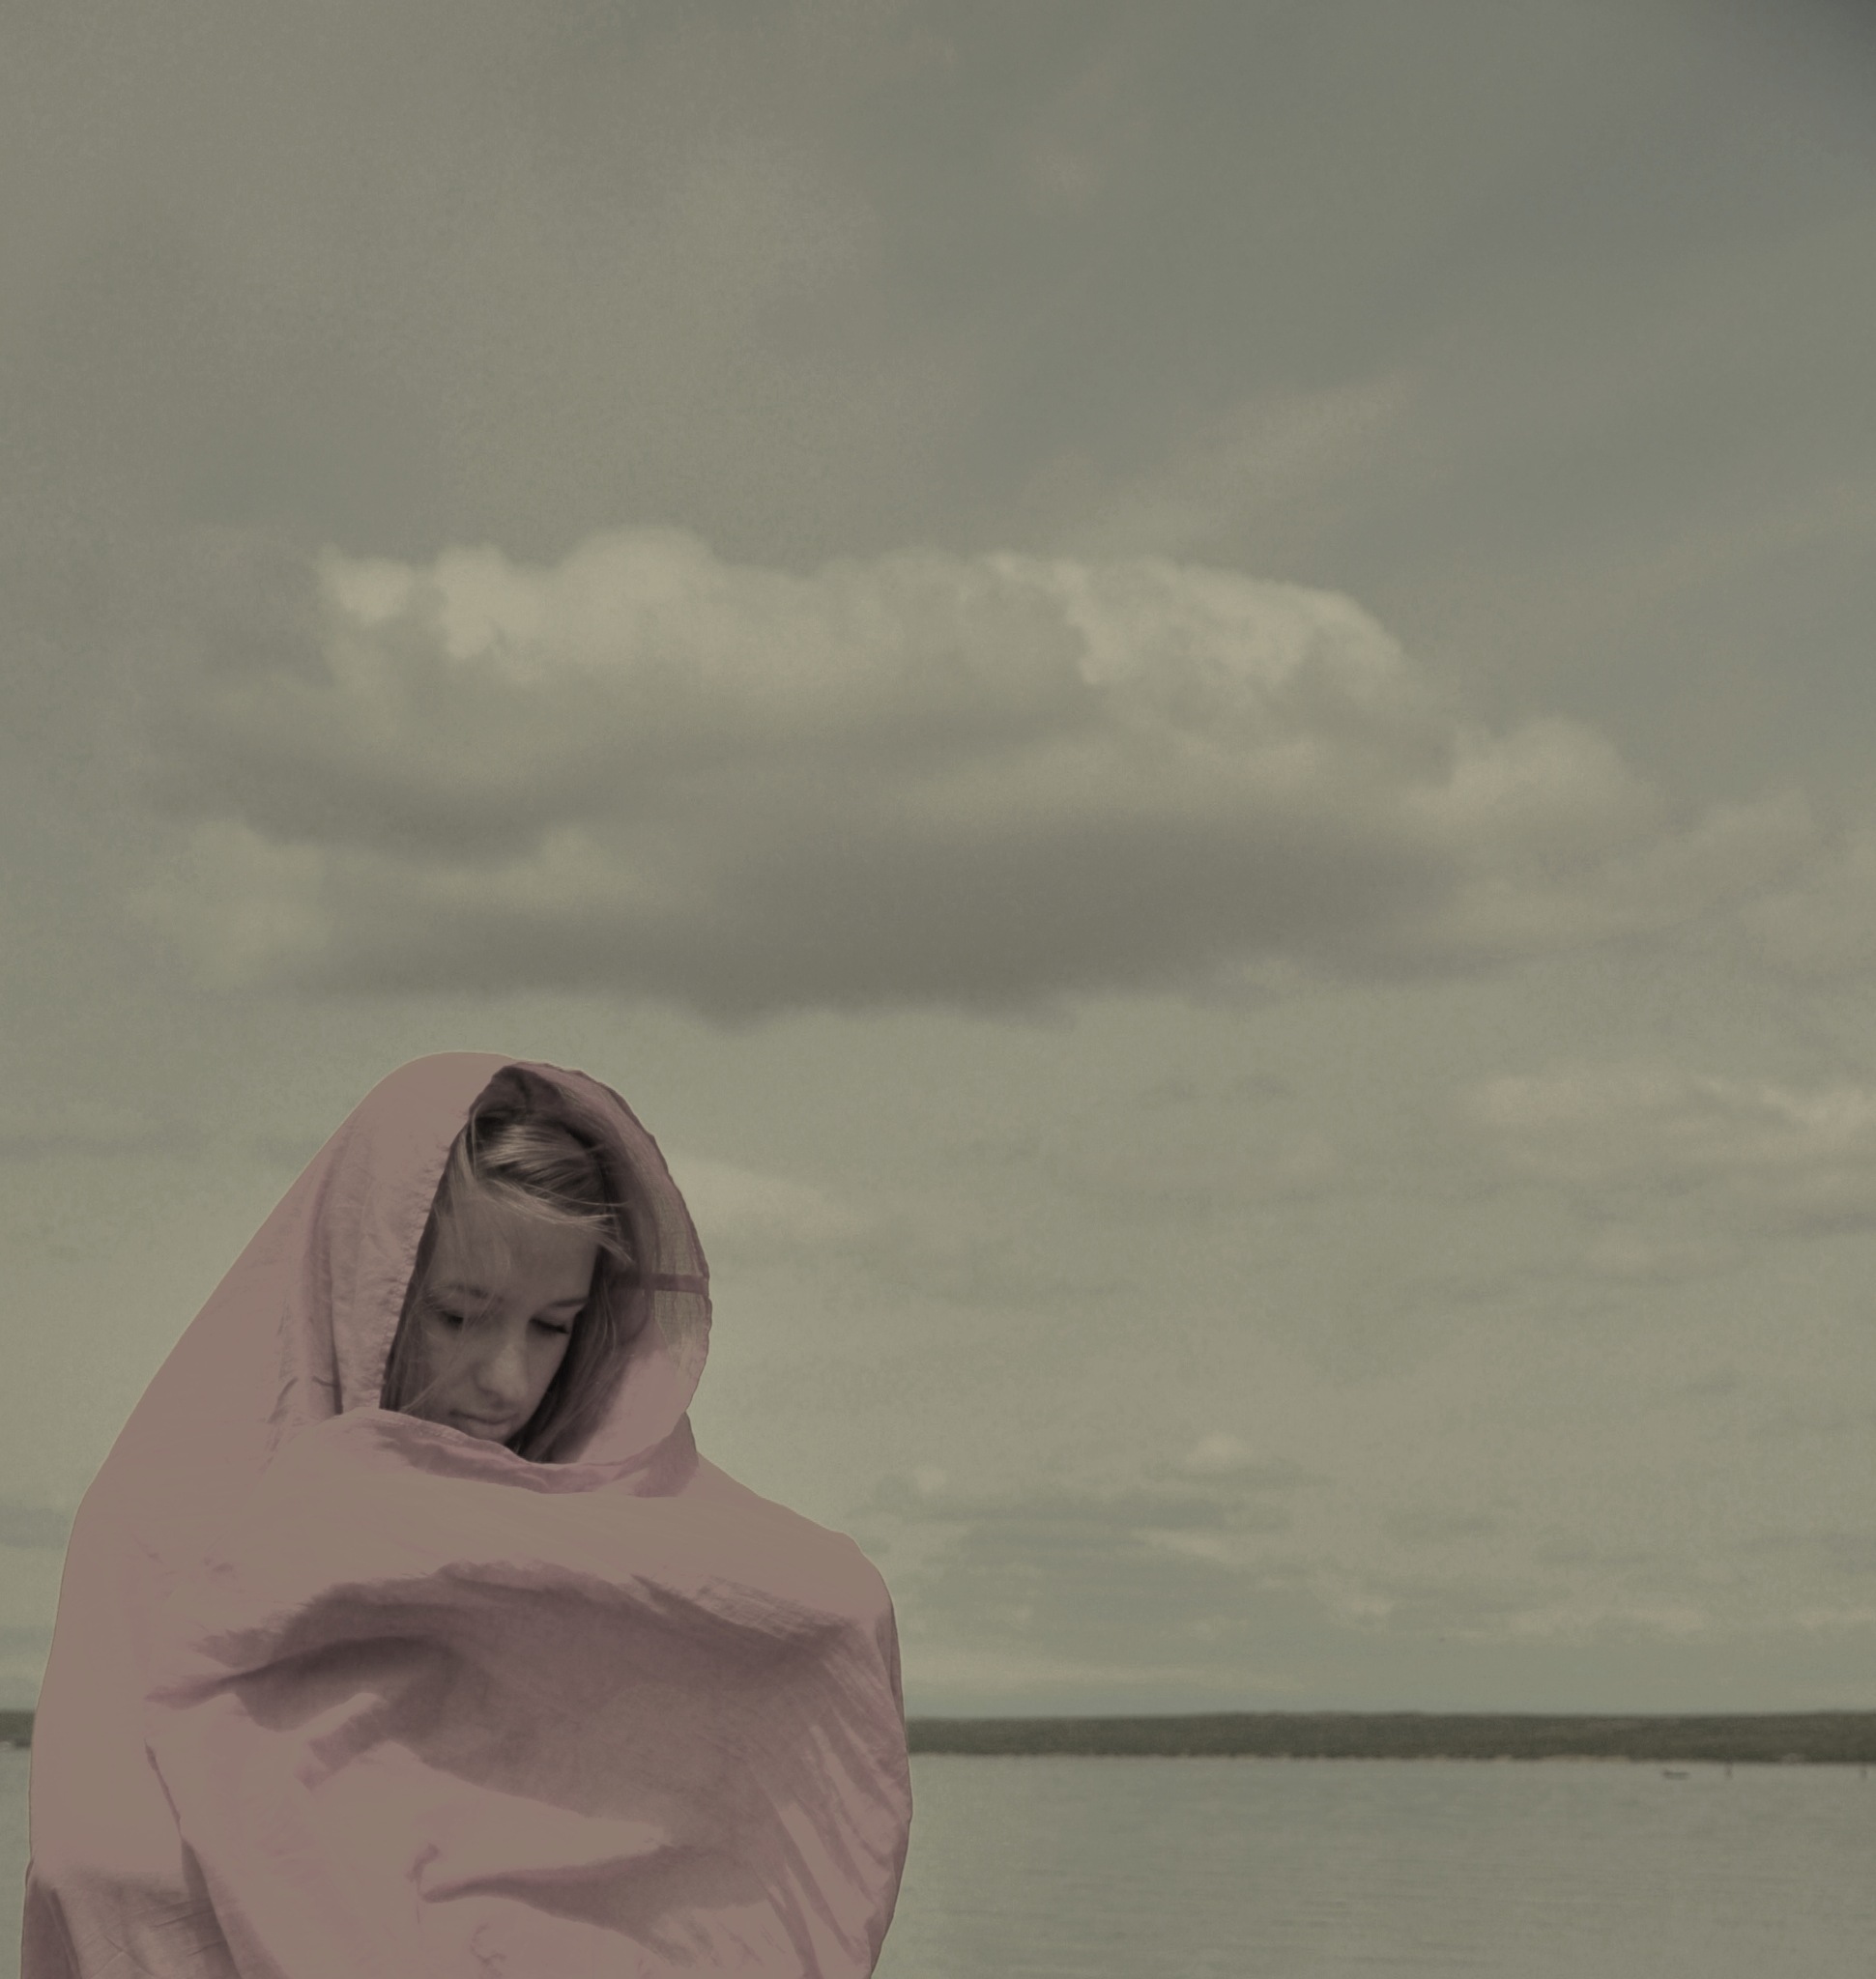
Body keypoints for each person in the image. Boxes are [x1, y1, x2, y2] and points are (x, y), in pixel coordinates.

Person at [23, 1054, 912, 1977]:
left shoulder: (602, 1538)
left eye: (552, 1325)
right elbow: (97, 1870)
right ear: (361, 1287)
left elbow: (825, 1622)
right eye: (458, 1315)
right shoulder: (171, 1517)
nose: (507, 1382)